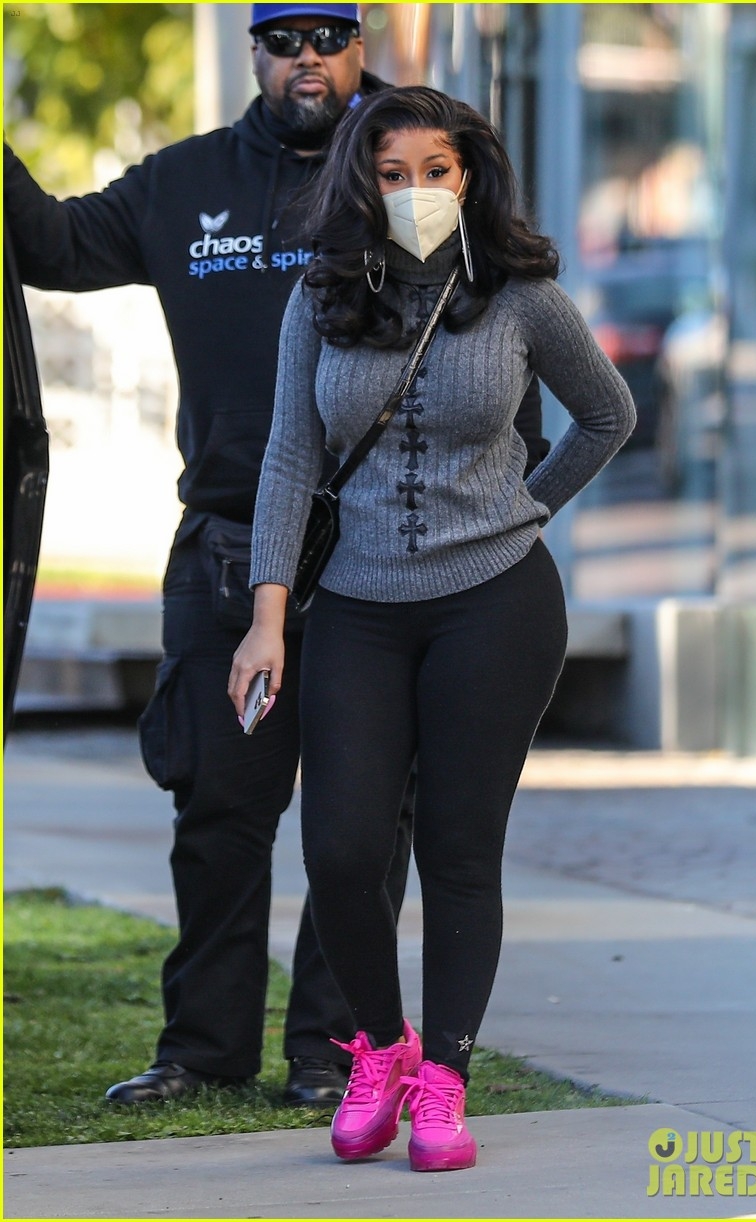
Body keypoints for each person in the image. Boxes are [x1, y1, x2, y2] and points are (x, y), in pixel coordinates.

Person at [3, 8, 549, 1108]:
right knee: (216, 807)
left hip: (377, 564)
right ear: (251, 50)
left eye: (330, 35)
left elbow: (515, 361)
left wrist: (500, 514)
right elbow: (50, 245)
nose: (309, 57)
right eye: (284, 37)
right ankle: (202, 1049)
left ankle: (336, 1052)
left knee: (364, 824)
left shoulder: (414, 170)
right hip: (224, 545)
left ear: (359, 45)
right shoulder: (184, 181)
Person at [228, 85, 636, 1172]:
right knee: (342, 850)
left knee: (458, 849)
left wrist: (524, 507)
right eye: (392, 173)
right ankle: (380, 1048)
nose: (415, 190)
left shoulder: (521, 296)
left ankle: (445, 1080)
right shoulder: (319, 295)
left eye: (435, 171)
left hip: (494, 602)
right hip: (357, 608)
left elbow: (608, 414)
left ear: (469, 177)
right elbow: (289, 456)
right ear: (362, 183)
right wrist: (267, 620)